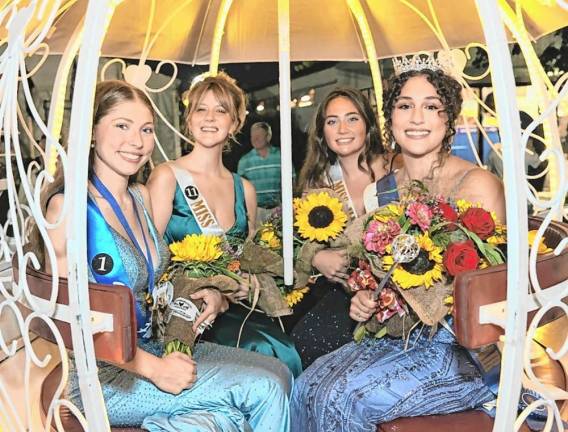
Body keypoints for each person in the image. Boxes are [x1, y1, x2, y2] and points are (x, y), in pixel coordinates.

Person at [40, 80, 291, 431]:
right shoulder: (68, 208)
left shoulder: (141, 198)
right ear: (92, 131)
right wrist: (154, 369)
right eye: (122, 126)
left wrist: (214, 295)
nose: (137, 141)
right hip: (102, 376)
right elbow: (67, 318)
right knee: (264, 389)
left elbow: (162, 281)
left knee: (278, 372)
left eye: (146, 129)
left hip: (154, 344)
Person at [290, 67, 506, 432]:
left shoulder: (477, 185)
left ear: (448, 116)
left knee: (343, 400)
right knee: (305, 387)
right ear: (390, 117)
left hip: (463, 350)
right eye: (405, 106)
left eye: (431, 106)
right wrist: (365, 298)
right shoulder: (383, 191)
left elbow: (489, 297)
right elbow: (377, 273)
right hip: (396, 337)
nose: (417, 118)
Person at [147, 73, 302, 378]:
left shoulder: (244, 189)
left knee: (285, 350)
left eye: (221, 110)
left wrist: (243, 286)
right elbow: (149, 259)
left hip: (233, 309)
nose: (209, 118)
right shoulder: (166, 177)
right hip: (183, 312)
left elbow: (246, 258)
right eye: (201, 109)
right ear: (188, 120)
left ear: (235, 123)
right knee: (262, 351)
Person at [286, 87, 393, 369]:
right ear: (322, 132)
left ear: (368, 124)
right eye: (332, 121)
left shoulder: (394, 168)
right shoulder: (317, 182)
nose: (342, 129)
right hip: (344, 291)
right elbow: (299, 240)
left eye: (352, 119)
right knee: (304, 340)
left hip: (399, 288)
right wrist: (316, 257)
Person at [237, 122, 293, 225]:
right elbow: (239, 189)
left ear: (268, 136)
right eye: (252, 136)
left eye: (259, 136)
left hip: (278, 210)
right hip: (256, 212)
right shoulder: (244, 161)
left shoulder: (281, 156)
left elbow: (292, 181)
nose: (255, 139)